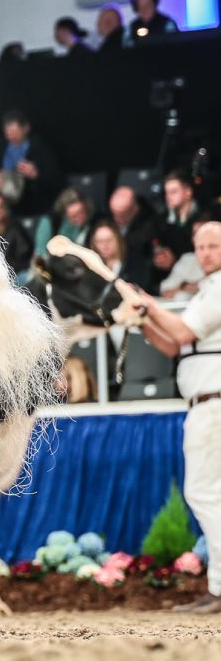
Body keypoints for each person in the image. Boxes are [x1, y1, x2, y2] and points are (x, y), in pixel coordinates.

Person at [131, 222, 221, 613]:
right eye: (200, 246)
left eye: (214, 245)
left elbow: (182, 333)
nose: (206, 253)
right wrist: (142, 322)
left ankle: (219, 587)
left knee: (204, 493)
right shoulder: (207, 290)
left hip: (213, 405)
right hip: (205, 403)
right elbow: (173, 346)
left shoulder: (218, 289)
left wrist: (149, 304)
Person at [0, 110, 62, 215]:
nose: (10, 136)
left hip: (34, 206)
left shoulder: (40, 150)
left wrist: (36, 175)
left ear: (26, 128)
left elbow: (57, 181)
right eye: (7, 133)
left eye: (14, 132)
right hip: (4, 208)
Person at [103, 185, 159, 289]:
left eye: (122, 214)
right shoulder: (107, 220)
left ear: (135, 209)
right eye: (114, 213)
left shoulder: (149, 226)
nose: (117, 218)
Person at [89, 220, 151, 292]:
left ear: (117, 239)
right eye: (100, 241)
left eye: (108, 240)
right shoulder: (92, 269)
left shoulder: (134, 264)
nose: (104, 245)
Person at [32, 188, 91, 261]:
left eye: (81, 212)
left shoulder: (93, 221)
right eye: (74, 216)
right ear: (64, 215)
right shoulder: (50, 222)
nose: (79, 218)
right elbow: (40, 255)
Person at [0, 190, 33, 281]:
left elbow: (24, 257)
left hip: (14, 275)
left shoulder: (16, 228)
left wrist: (5, 269)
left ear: (6, 208)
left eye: (1, 206)